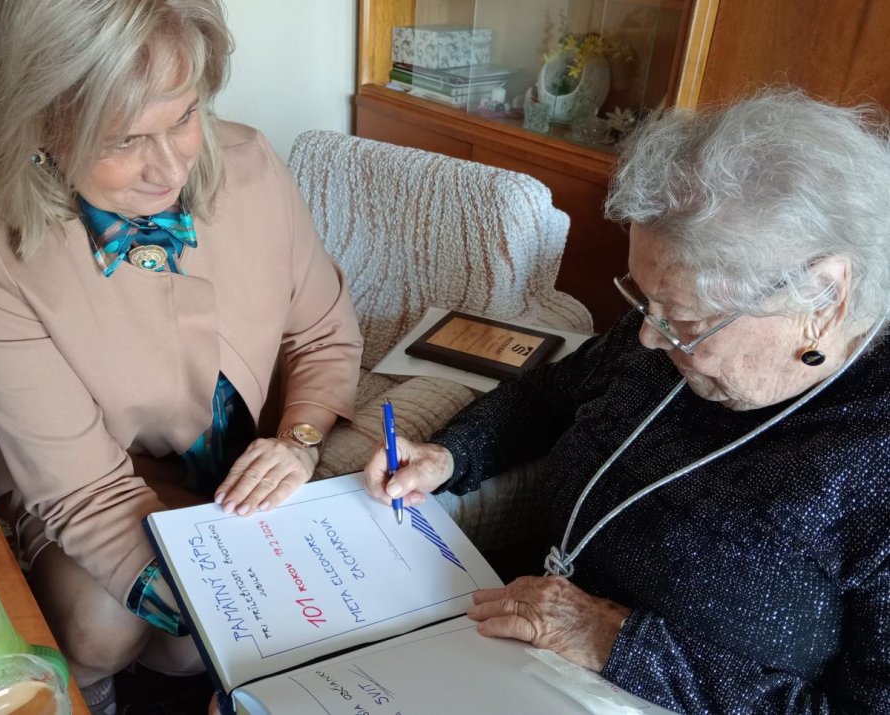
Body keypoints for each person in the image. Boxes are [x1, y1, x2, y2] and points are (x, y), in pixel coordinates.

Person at [364, 90, 890, 713]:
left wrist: (615, 641)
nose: (647, 336)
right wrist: (451, 454)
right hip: (507, 649)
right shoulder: (659, 335)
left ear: (822, 299)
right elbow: (554, 393)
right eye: (643, 300)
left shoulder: (872, 458)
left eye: (684, 319)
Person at [0, 0, 362, 711]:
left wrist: (299, 441)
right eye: (125, 139)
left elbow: (323, 334)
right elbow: (86, 492)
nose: (171, 167)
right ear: (38, 130)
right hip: (92, 481)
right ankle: (90, 690)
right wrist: (229, 605)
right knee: (104, 625)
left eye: (184, 115)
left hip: (226, 478)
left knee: (184, 646)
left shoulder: (252, 164)